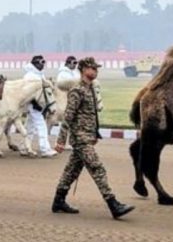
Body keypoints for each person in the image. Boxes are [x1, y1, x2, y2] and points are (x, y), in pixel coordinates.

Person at [52, 57, 134, 219]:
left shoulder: (90, 89)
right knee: (97, 168)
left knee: (71, 171)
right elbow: (68, 117)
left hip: (86, 137)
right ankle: (113, 204)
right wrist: (61, 140)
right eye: (93, 68)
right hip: (80, 138)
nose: (96, 71)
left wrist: (94, 134)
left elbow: (92, 115)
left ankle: (58, 201)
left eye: (97, 69)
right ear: (83, 70)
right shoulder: (77, 91)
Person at [22, 55, 54, 157]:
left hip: (39, 105)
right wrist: (35, 104)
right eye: (42, 62)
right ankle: (45, 149)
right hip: (33, 105)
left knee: (30, 127)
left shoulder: (40, 75)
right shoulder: (30, 76)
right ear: (35, 63)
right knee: (42, 126)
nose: (43, 64)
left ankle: (23, 147)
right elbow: (27, 93)